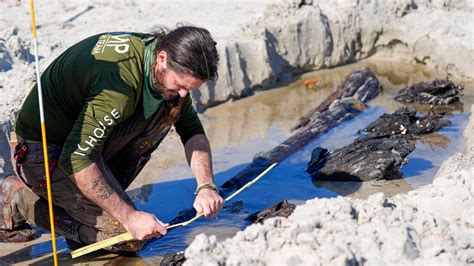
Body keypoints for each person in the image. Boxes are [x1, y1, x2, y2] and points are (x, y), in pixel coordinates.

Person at [0, 25, 224, 252]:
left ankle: (85, 219)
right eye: (180, 85)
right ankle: (19, 198)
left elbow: (191, 129)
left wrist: (206, 186)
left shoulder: (160, 59)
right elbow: (76, 158)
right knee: (127, 239)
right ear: (163, 59)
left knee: (168, 112)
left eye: (190, 89)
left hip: (83, 143)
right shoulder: (118, 87)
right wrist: (129, 217)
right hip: (43, 152)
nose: (184, 94)